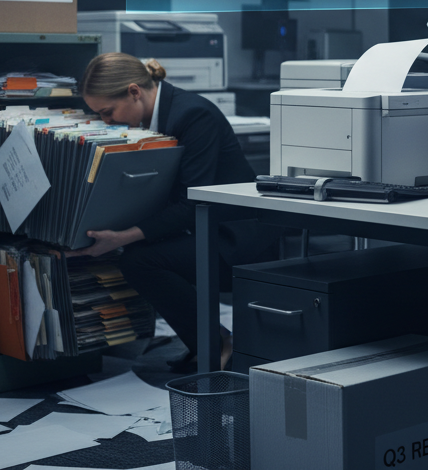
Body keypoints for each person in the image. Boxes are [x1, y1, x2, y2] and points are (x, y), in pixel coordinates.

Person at [67, 52, 275, 372]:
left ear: (134, 92)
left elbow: (192, 203)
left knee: (139, 261)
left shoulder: (193, 115)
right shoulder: (146, 120)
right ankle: (207, 340)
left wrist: (122, 236)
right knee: (137, 253)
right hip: (198, 228)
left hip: (236, 238)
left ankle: (217, 342)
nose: (105, 122)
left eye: (107, 112)